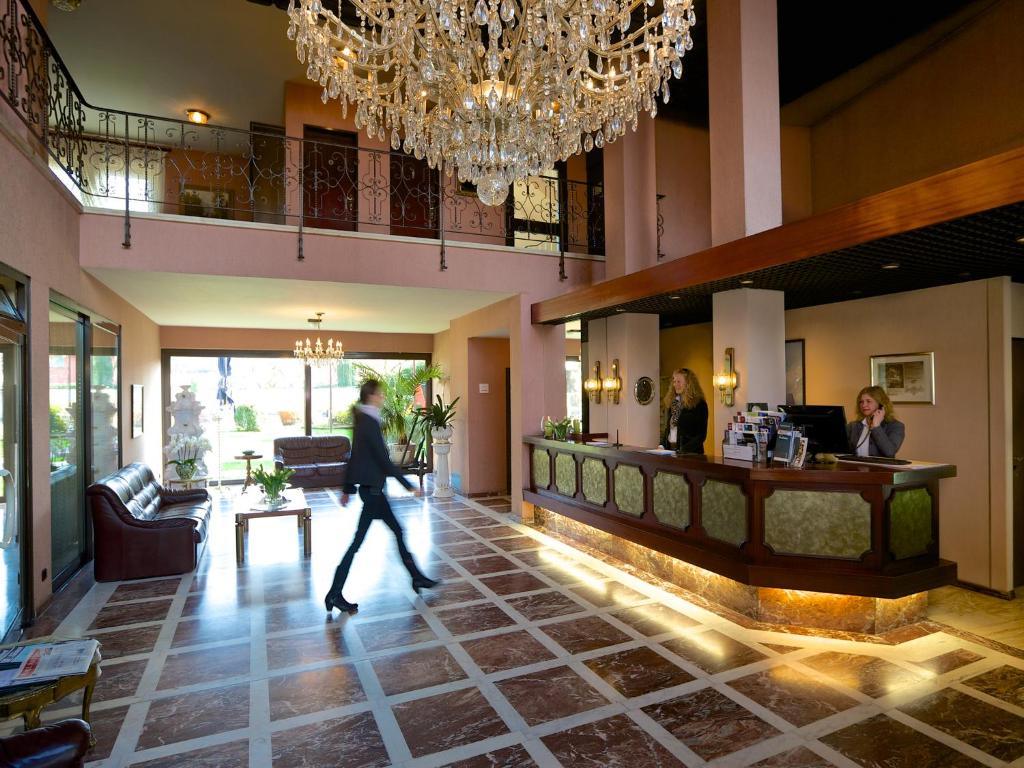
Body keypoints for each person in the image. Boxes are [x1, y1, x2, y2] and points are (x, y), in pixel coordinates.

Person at [324, 379, 438, 614]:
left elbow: (357, 456)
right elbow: (383, 461)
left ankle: (416, 577)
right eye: (380, 394)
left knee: (394, 532)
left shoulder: (366, 420)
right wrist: (408, 485)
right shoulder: (368, 422)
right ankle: (334, 593)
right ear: (371, 396)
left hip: (372, 491)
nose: (383, 397)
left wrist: (347, 488)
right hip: (373, 492)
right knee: (362, 542)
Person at [659, 368, 708, 454]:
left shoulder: (699, 404)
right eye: (674, 381)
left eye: (679, 381)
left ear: (688, 383)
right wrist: (661, 446)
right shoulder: (674, 403)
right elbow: (669, 429)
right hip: (670, 451)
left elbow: (701, 436)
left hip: (690, 455)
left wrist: (682, 451)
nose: (675, 384)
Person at [846, 385, 905, 457]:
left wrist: (876, 426)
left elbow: (890, 452)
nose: (864, 405)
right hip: (856, 467)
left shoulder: (896, 426)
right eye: (861, 402)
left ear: (881, 404)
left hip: (881, 468)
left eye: (868, 401)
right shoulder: (853, 426)